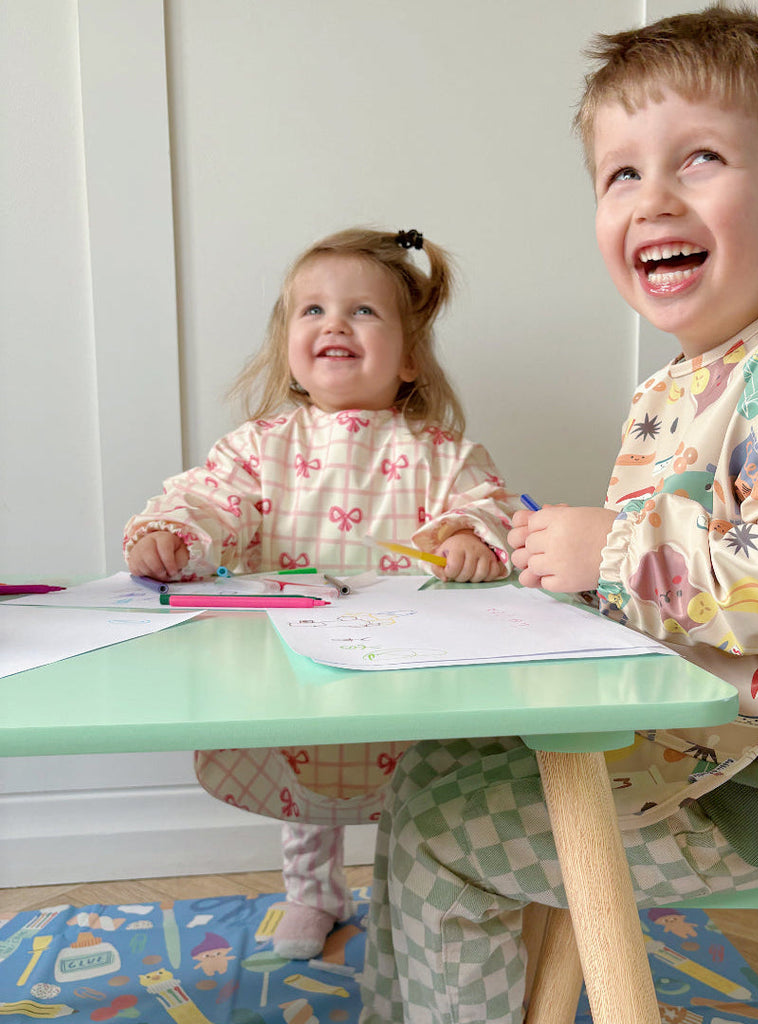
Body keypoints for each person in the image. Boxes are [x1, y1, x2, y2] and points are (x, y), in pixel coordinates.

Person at [358, 8, 758, 1023]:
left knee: (439, 832)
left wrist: (616, 551)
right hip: (689, 742)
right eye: (620, 174)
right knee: (429, 775)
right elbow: (662, 577)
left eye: (699, 159)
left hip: (756, 787)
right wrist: (550, 559)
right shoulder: (678, 386)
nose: (653, 197)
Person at [124, 227, 515, 961]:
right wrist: (176, 535)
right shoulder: (257, 448)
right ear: (289, 349)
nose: (334, 323)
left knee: (421, 785)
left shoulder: (439, 454)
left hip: (407, 667)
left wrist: (467, 537)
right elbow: (210, 501)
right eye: (311, 311)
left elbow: (489, 505)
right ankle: (313, 892)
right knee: (306, 783)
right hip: (293, 661)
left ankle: (410, 892)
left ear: (409, 358)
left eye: (362, 312)